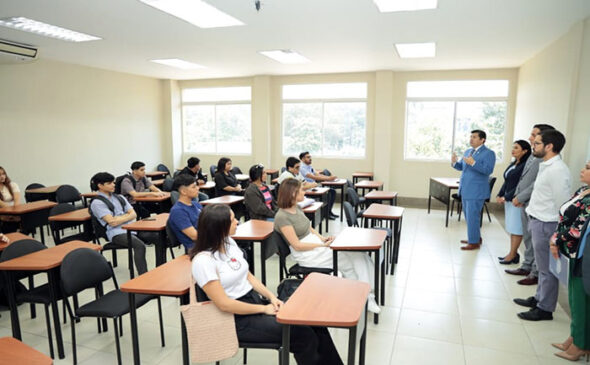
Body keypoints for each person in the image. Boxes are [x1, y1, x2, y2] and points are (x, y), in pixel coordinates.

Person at [191, 204, 343, 365]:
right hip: (234, 319)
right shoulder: (203, 261)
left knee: (314, 323)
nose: (237, 221)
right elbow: (225, 305)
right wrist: (264, 309)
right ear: (219, 226)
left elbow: (248, 276)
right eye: (232, 219)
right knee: (303, 335)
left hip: (252, 302)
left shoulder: (229, 243)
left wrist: (271, 297)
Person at [274, 178, 380, 313]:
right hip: (307, 254)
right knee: (350, 259)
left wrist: (323, 239)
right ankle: (366, 297)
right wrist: (323, 246)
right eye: (301, 189)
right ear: (292, 193)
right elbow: (297, 245)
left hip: (315, 246)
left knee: (359, 254)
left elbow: (309, 228)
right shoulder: (282, 217)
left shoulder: (297, 208)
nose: (304, 191)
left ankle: (366, 294)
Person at [515, 129, 571, 321]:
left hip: (547, 224)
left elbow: (562, 204)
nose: (533, 145)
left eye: (537, 143)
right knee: (542, 266)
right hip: (538, 220)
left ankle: (545, 308)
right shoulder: (546, 165)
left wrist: (557, 235)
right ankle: (539, 298)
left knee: (547, 269)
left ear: (549, 146)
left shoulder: (557, 170)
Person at [549, 160, 590, 360]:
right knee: (575, 298)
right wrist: (556, 237)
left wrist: (556, 239)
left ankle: (581, 344)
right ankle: (574, 337)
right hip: (570, 252)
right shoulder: (584, 190)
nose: (582, 170)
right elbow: (565, 216)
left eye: (588, 168)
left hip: (581, 255)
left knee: (581, 300)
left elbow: (577, 228)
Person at [505, 124, 555, 285]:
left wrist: (521, 196)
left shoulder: (545, 160)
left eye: (534, 135)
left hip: (533, 201)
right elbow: (524, 178)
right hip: (525, 201)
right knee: (528, 237)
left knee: (535, 240)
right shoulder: (534, 155)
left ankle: (534, 272)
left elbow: (535, 183)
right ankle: (526, 266)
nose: (530, 138)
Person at [90, 172, 149, 274]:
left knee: (157, 237)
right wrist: (127, 217)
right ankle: (144, 276)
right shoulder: (97, 203)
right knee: (139, 245)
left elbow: (134, 214)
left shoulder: (119, 197)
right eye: (109, 183)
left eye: (113, 182)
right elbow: (112, 222)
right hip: (116, 233)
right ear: (100, 185)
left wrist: (120, 218)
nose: (114, 185)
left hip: (132, 228)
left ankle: (159, 269)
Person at [451, 130, 496, 250]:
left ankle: (474, 242)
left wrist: (474, 163)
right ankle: (475, 237)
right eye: (471, 136)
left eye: (474, 137)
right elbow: (462, 167)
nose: (471, 139)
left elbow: (488, 170)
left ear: (483, 140)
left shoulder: (489, 153)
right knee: (469, 216)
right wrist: (455, 162)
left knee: (472, 216)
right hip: (465, 189)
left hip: (476, 191)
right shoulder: (468, 151)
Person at [496, 140, 531, 264]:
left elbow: (519, 185)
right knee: (512, 227)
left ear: (525, 151)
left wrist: (507, 197)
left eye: (516, 148)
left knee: (517, 229)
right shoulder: (514, 163)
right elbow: (507, 180)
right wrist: (500, 194)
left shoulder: (526, 165)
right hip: (509, 200)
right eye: (513, 147)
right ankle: (513, 253)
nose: (513, 150)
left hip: (517, 200)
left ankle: (512, 255)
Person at [298, 152, 338, 219]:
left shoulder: (309, 166)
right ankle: (326, 214)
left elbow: (317, 174)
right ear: (302, 159)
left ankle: (329, 212)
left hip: (313, 187)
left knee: (332, 191)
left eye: (310, 157)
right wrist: (329, 179)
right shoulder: (302, 168)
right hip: (307, 188)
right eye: (308, 157)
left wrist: (329, 178)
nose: (310, 159)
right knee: (329, 193)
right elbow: (314, 177)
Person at [168, 174, 203, 251]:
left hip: (207, 243)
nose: (198, 188)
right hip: (195, 248)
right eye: (193, 187)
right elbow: (194, 236)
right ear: (183, 191)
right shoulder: (178, 211)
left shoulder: (196, 204)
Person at [0, 166, 22, 233]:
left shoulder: (13, 185)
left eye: (3, 174)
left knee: (29, 220)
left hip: (14, 212)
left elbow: (17, 203)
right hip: (3, 214)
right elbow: (2, 204)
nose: (2, 176)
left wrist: (13, 214)